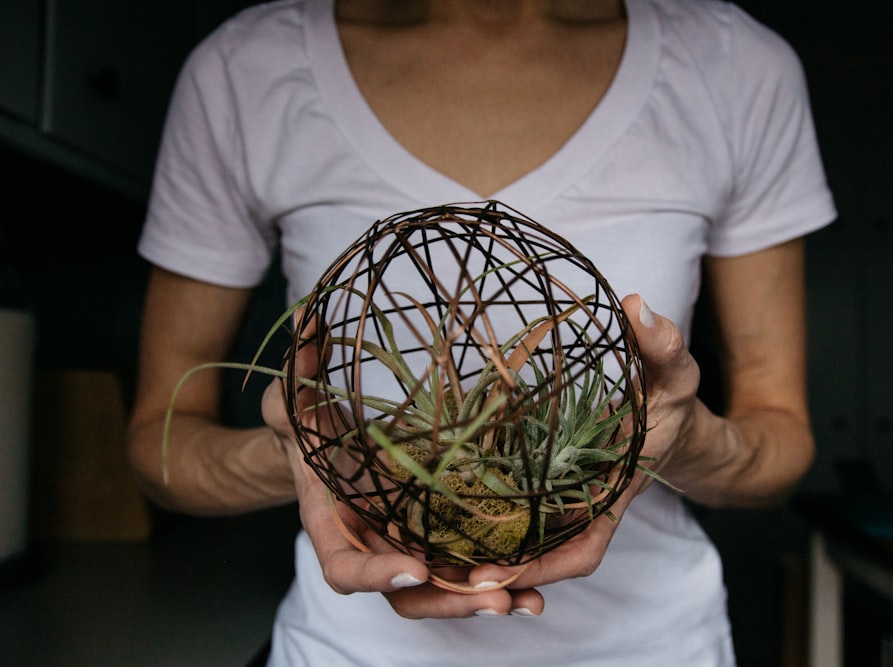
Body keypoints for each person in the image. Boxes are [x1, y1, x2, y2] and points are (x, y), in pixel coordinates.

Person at [127, 0, 836, 664]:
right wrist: (315, 452)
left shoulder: (732, 65)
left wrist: (686, 438)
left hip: (652, 645)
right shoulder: (247, 70)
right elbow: (159, 442)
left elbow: (780, 436)